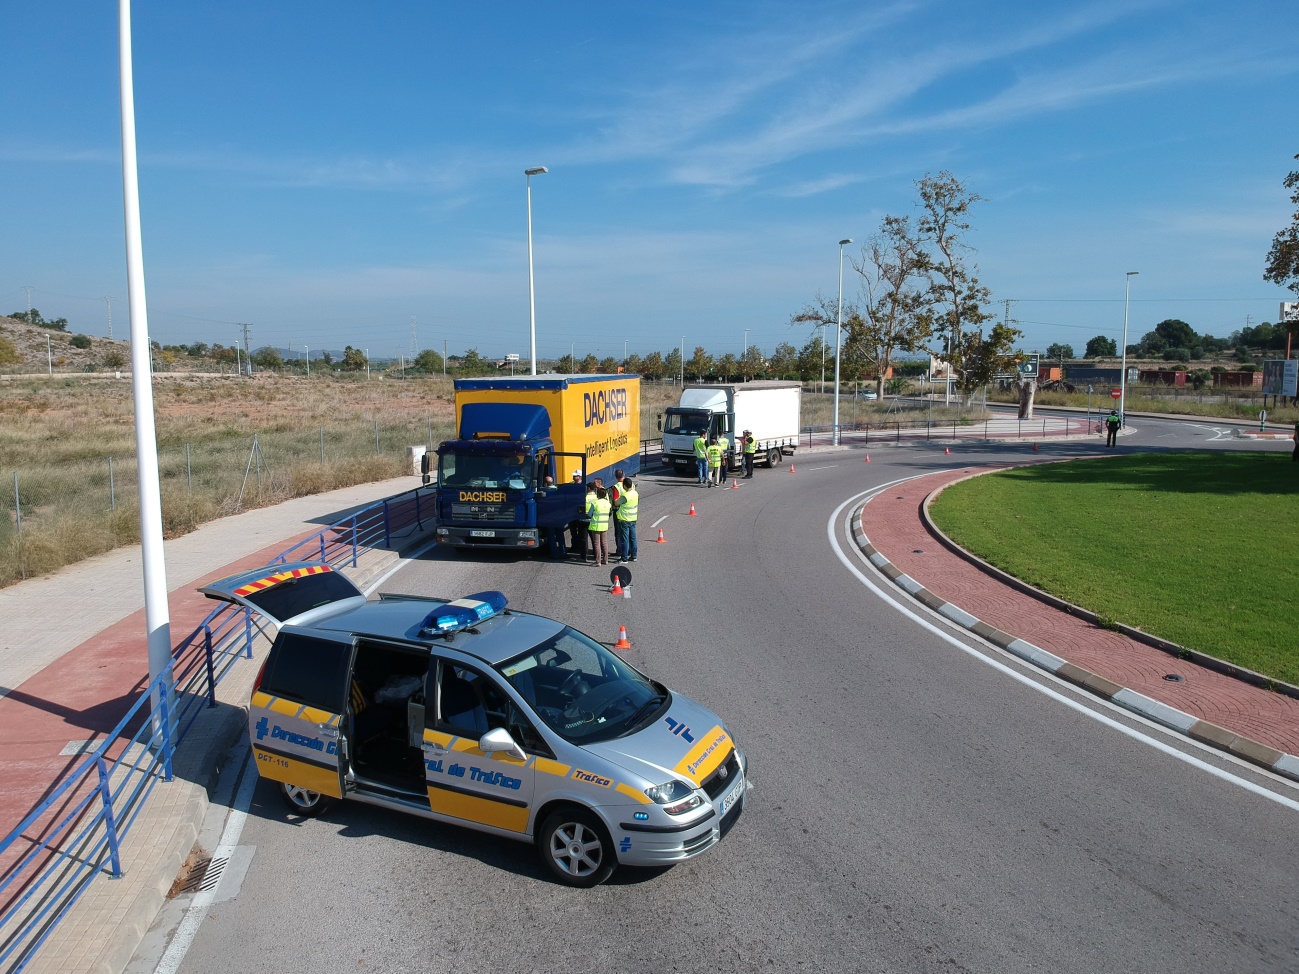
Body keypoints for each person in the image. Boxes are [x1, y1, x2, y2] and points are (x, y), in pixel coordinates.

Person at [614, 476, 638, 562]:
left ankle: (624, 559)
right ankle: (634, 556)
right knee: (633, 538)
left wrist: (617, 499)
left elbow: (616, 503)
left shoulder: (625, 496)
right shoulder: (635, 493)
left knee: (625, 540)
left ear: (624, 486)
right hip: (633, 519)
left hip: (624, 520)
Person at [587, 486, 611, 565]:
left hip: (596, 525)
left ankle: (598, 561)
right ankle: (605, 560)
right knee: (604, 542)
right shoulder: (608, 503)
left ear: (598, 495)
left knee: (597, 544)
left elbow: (590, 514)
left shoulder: (595, 503)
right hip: (604, 525)